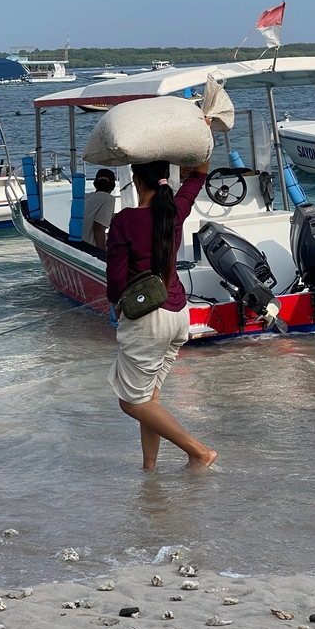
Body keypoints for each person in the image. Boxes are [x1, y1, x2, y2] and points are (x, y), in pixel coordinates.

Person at [106, 157, 217, 470]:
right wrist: (202, 140)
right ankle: (149, 468)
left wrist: (115, 302)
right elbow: (197, 179)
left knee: (130, 401)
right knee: (148, 399)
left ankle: (198, 451)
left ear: (135, 178)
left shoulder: (125, 220)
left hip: (148, 320)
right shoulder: (175, 209)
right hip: (180, 314)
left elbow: (115, 281)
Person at [82, 168, 116, 250]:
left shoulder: (86, 197)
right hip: (91, 249)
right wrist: (102, 254)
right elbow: (98, 227)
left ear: (95, 183)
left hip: (80, 245)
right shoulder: (108, 199)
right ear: (113, 186)